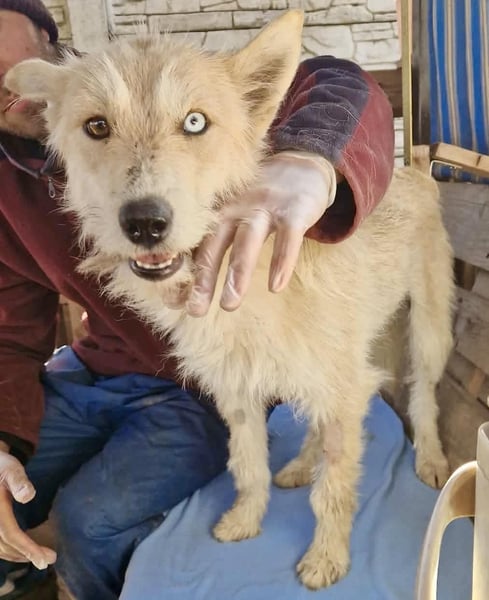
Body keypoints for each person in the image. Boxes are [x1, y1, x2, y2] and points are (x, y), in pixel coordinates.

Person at [0, 1, 395, 598]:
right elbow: (9, 334)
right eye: (98, 128)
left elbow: (340, 81)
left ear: (46, 37)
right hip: (94, 371)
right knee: (18, 487)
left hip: (192, 390)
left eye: (190, 124)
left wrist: (310, 155)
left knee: (87, 522)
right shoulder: (16, 174)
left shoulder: (201, 128)